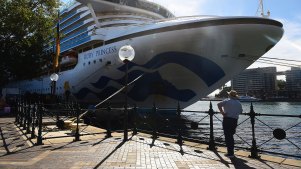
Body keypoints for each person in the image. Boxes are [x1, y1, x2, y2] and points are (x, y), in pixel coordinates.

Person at [217, 90, 242, 158]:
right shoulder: (238, 103)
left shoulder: (227, 101)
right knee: (231, 135)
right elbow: (240, 111)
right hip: (235, 120)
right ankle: (231, 152)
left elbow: (218, 104)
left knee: (228, 136)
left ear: (230, 95)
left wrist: (222, 113)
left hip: (227, 119)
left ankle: (230, 153)